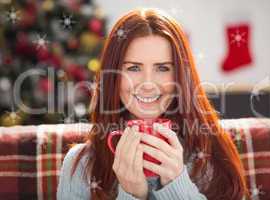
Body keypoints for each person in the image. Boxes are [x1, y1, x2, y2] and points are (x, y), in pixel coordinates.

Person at [57, 8, 250, 200]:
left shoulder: (211, 156)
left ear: (181, 76)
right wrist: (131, 194)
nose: (148, 84)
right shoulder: (81, 165)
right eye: (133, 67)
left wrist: (177, 186)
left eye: (163, 68)